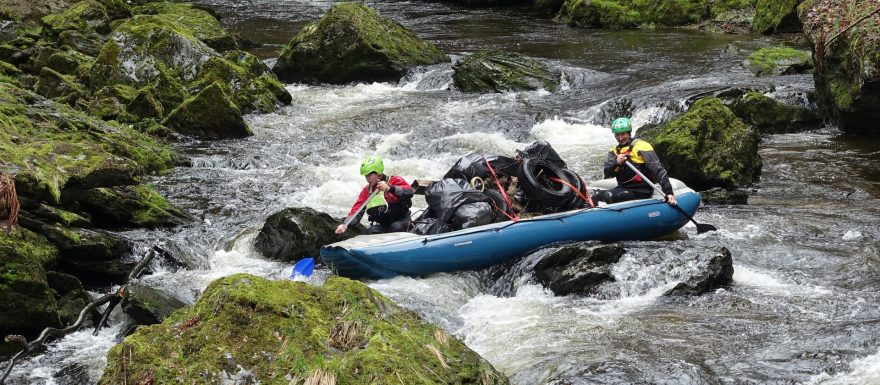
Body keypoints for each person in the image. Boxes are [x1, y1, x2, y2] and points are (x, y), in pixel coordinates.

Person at [594, 117, 677, 206]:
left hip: (642, 190)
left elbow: (658, 170)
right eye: (617, 135)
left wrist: (669, 192)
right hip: (623, 188)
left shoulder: (642, 146)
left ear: (629, 133)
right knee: (594, 195)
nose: (620, 138)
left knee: (609, 195)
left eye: (623, 134)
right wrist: (616, 163)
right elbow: (607, 173)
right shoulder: (614, 151)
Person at [335, 156, 414, 235]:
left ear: (379, 173)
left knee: (396, 227)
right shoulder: (366, 191)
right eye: (366, 176)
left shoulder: (395, 180)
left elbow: (410, 192)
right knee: (371, 231)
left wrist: (390, 188)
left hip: (402, 221)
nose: (367, 178)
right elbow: (356, 211)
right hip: (384, 226)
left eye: (369, 175)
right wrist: (345, 225)